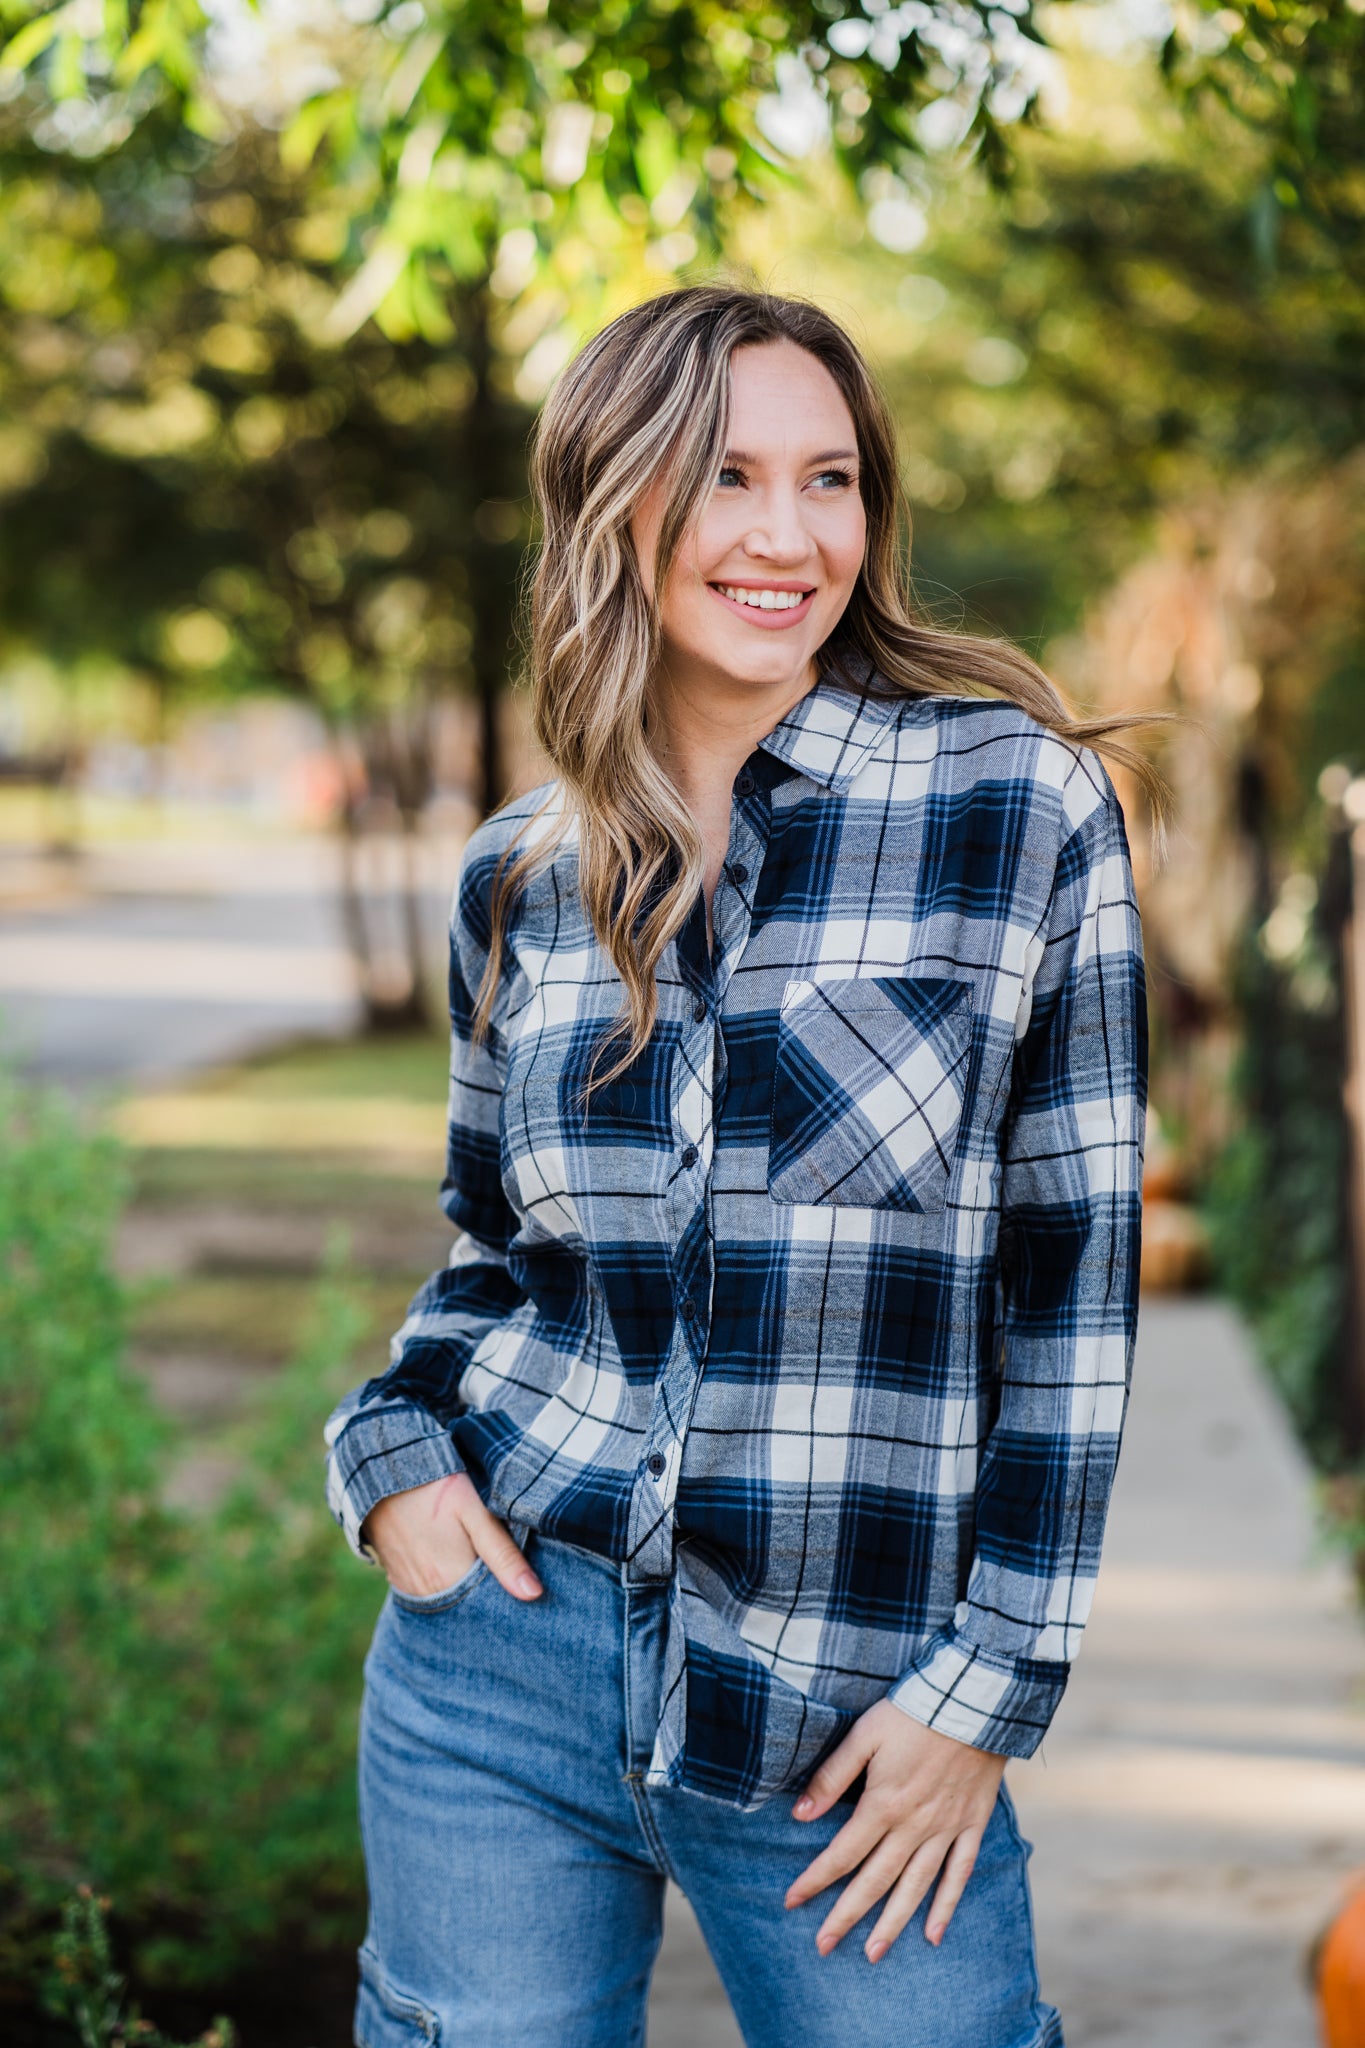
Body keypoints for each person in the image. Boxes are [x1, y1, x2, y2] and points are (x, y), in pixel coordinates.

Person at [324, 285, 1153, 2048]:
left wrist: (988, 1694)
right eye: (726, 480)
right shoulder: (518, 877)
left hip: (844, 1708)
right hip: (498, 1668)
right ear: (614, 506)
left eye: (831, 479)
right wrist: (390, 1462)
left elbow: (1071, 1301)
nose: (790, 536)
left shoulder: (1014, 808)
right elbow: (487, 1256)